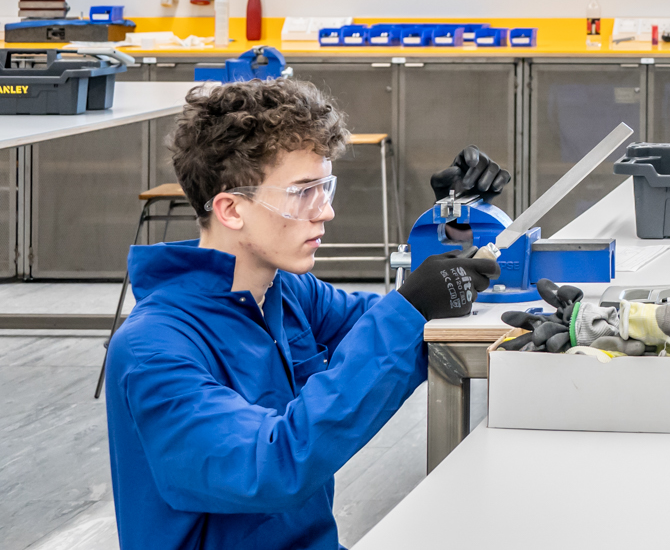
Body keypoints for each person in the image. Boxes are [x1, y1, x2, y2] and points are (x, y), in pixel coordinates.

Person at [104, 78, 510, 550]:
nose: (327, 212)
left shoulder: (286, 293)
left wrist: (450, 224)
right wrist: (411, 307)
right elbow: (270, 469)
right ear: (231, 209)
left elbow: (403, 326)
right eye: (303, 192)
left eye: (325, 187)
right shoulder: (154, 348)